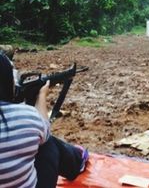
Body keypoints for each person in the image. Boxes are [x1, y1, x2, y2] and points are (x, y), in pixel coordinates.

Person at [0, 52, 89, 188]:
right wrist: (41, 95)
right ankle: (77, 161)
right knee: (47, 143)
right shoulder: (25, 116)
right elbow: (44, 128)